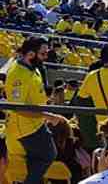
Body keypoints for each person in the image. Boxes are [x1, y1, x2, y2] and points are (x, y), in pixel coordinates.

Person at [8, 37, 60, 184]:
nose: (46, 57)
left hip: (36, 123)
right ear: (31, 54)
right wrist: (48, 115)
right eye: (43, 54)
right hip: (25, 128)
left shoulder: (34, 67)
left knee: (37, 159)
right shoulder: (18, 74)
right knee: (48, 154)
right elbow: (18, 107)